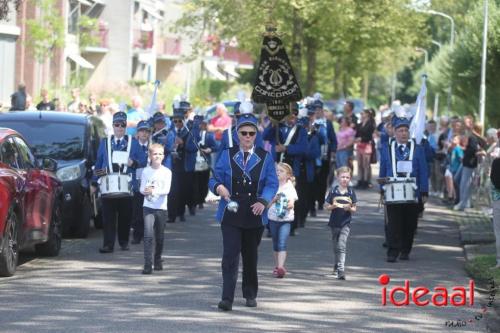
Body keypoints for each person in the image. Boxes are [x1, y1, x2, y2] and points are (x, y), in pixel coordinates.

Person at [209, 113, 278, 311]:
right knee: (230, 256)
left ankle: (250, 293)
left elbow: (272, 183)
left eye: (251, 133)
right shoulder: (227, 154)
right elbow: (214, 179)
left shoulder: (265, 157)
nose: (247, 136)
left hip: (254, 213)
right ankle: (227, 298)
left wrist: (263, 201)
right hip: (231, 212)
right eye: (243, 133)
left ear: (256, 134)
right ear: (237, 134)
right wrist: (219, 188)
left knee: (250, 256)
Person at [91, 111, 143, 253]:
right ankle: (108, 244)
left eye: (122, 125)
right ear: (113, 126)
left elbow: (143, 160)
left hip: (126, 186)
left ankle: (124, 242)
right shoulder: (105, 142)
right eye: (117, 124)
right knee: (108, 217)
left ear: (126, 126)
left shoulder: (133, 142)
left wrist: (133, 162)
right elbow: (98, 164)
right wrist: (94, 183)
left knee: (125, 216)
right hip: (108, 185)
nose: (120, 127)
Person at [379, 113, 428, 262]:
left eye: (406, 130)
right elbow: (383, 169)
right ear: (394, 132)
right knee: (393, 222)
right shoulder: (387, 148)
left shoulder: (417, 149)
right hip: (392, 191)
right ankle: (392, 251)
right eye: (400, 131)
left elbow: (423, 171)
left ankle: (405, 249)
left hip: (412, 191)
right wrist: (381, 189)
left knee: (410, 222)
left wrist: (424, 191)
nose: (403, 133)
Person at [140, 143, 172, 274]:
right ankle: (148, 264)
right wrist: (145, 191)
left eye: (160, 154)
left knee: (159, 237)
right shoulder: (146, 171)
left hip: (161, 208)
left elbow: (167, 190)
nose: (157, 156)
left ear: (163, 156)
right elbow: (141, 188)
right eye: (155, 154)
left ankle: (157, 259)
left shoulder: (167, 172)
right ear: (150, 156)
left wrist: (154, 191)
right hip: (148, 207)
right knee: (148, 235)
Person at [324, 166, 357, 280]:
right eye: (342, 177)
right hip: (334, 223)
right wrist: (332, 206)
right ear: (338, 177)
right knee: (335, 246)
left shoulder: (351, 192)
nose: (345, 179)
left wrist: (350, 208)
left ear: (350, 179)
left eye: (347, 177)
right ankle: (336, 264)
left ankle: (341, 270)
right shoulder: (333, 191)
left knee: (341, 246)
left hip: (345, 223)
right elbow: (327, 206)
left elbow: (354, 209)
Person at [267, 162, 298, 278]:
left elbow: (291, 204)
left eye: (281, 171)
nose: (278, 173)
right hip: (273, 219)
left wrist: (283, 204)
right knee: (275, 244)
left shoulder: (290, 187)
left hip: (285, 220)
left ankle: (281, 267)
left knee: (282, 243)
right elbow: (267, 205)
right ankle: (277, 266)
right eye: (277, 171)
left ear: (288, 175)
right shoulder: (271, 186)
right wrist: (274, 200)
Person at [131, 120, 152, 244]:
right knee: (137, 210)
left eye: (146, 131)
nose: (144, 133)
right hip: (136, 181)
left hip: (150, 181)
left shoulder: (152, 146)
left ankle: (147, 234)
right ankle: (137, 235)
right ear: (137, 133)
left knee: (149, 209)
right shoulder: (132, 145)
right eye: (141, 131)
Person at [490, 150, 500, 269]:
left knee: (498, 231)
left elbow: (493, 180)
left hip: (498, 199)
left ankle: (499, 260)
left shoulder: (496, 162)